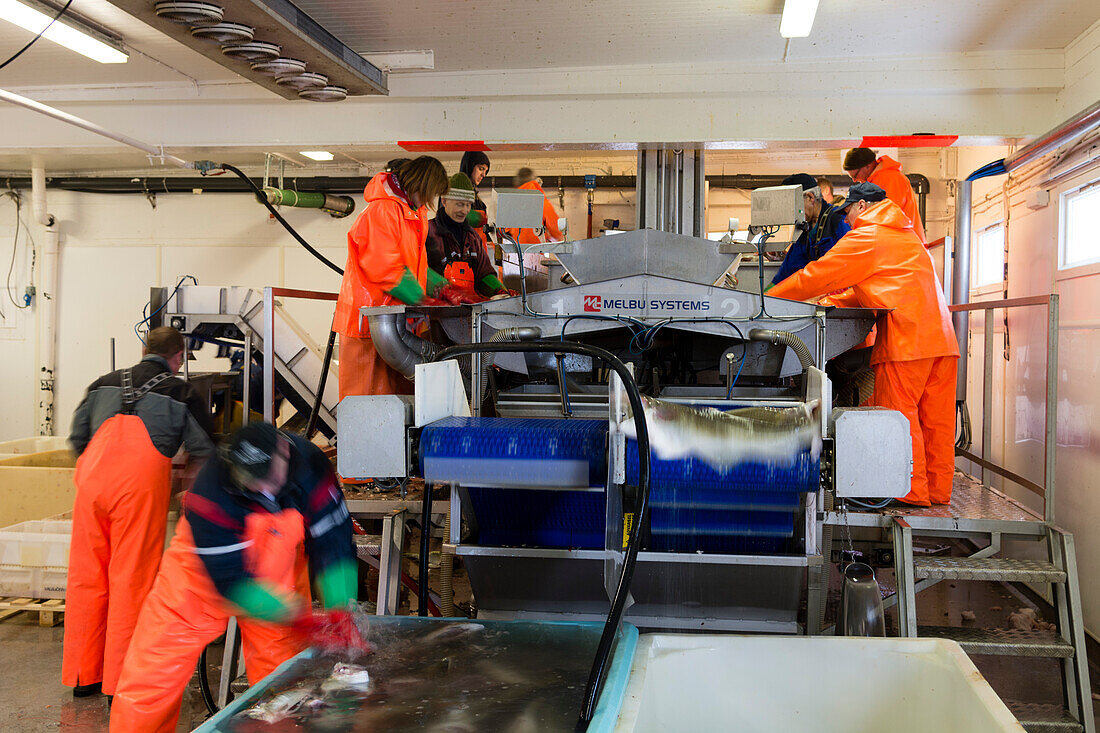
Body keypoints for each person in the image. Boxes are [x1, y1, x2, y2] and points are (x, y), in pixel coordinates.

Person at [110, 422, 361, 732]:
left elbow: (333, 540)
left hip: (276, 571)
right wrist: (297, 618)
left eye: (269, 479)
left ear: (284, 452)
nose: (263, 491)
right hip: (199, 574)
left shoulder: (311, 466)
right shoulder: (209, 490)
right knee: (152, 674)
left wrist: (340, 609)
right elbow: (231, 582)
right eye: (252, 482)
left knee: (281, 682)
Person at [768, 183, 958, 507]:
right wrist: (832, 299)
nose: (849, 220)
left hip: (907, 344)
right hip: (942, 341)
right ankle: (937, 492)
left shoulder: (869, 235)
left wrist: (764, 300)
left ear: (863, 207)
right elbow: (876, 286)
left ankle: (910, 492)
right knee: (936, 422)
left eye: (849, 211)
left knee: (903, 419)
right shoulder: (905, 235)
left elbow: (817, 275)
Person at [63, 327, 215, 700]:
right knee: (131, 579)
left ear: (144, 349)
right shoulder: (182, 391)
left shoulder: (101, 384)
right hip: (138, 489)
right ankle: (119, 682)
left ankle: (83, 677)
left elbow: (78, 440)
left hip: (91, 486)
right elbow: (205, 449)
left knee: (87, 576)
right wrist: (188, 487)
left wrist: (103, 470)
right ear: (178, 357)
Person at [333, 156, 451, 399]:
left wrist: (442, 288)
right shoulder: (383, 210)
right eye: (430, 193)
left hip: (397, 323)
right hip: (369, 324)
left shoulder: (413, 213)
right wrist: (420, 298)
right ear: (420, 184)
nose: (430, 202)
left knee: (401, 403)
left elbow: (412, 264)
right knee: (367, 403)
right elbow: (381, 264)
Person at [426, 172, 511, 298]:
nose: (464, 210)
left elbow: (484, 273)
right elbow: (419, 271)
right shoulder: (429, 232)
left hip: (469, 310)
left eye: (468, 205)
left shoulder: (473, 237)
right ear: (444, 201)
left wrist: (499, 291)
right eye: (459, 204)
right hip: (436, 311)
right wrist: (445, 292)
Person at [771, 173, 851, 285]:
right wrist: (767, 295)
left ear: (810, 197)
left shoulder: (839, 220)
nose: (791, 213)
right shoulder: (804, 230)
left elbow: (849, 267)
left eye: (793, 206)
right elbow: (788, 270)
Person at [843, 147, 926, 243]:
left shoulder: (889, 179)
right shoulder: (882, 179)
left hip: (906, 246)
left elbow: (887, 219)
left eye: (855, 175)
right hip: (905, 244)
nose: (854, 180)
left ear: (868, 166)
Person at [503, 167, 566, 245]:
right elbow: (557, 232)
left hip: (516, 252)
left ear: (516, 183)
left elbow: (500, 232)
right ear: (535, 182)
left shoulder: (509, 203)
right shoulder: (542, 203)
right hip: (537, 251)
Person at [459, 150, 492, 246]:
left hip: (478, 251)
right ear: (470, 166)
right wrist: (485, 220)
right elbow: (454, 216)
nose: (484, 175)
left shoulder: (478, 200)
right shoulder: (455, 191)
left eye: (485, 171)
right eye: (481, 169)